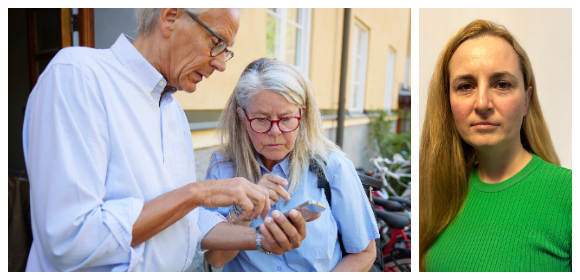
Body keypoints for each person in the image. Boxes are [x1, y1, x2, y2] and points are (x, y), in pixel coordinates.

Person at [22, 8, 309, 272]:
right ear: (170, 17)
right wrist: (199, 192)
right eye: (217, 42)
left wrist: (261, 239)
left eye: (227, 51)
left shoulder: (173, 112)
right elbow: (71, 240)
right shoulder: (79, 76)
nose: (222, 64)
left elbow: (186, 226)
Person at [419, 19, 571, 272]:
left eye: (502, 84)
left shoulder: (568, 194)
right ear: (447, 102)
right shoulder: (438, 193)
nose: (482, 103)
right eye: (465, 86)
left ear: (526, 101)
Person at [202, 58, 380, 272]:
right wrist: (246, 209)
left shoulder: (332, 167)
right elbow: (216, 259)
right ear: (242, 116)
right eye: (261, 119)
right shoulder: (223, 169)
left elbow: (364, 252)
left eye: (286, 119)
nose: (275, 131)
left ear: (301, 114)